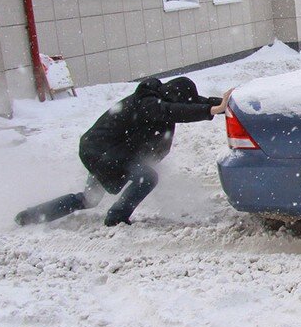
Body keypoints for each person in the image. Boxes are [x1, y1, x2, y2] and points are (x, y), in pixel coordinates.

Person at [15, 77, 232, 227]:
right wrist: (211, 110)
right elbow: (174, 110)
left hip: (107, 152)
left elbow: (191, 103)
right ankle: (116, 218)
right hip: (104, 153)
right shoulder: (149, 105)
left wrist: (226, 103)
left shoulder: (160, 97)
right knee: (147, 177)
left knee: (89, 199)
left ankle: (31, 216)